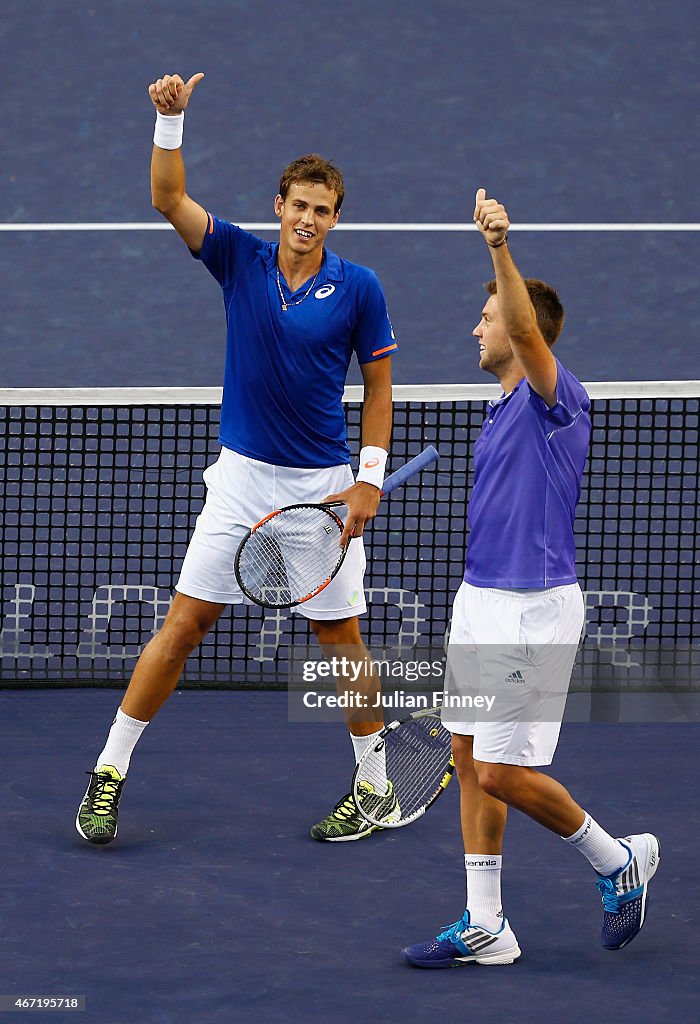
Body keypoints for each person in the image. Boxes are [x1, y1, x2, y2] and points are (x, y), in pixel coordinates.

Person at [76, 72, 400, 847]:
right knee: (185, 625)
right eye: (299, 206)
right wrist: (170, 123)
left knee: (339, 639)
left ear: (334, 218)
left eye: (324, 211)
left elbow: (380, 383)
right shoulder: (237, 259)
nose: (310, 221)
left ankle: (377, 783)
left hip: (323, 490)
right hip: (242, 480)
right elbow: (167, 198)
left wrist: (368, 480)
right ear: (280, 206)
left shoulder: (359, 288)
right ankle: (108, 774)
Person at [401, 189, 659, 967]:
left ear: (524, 335)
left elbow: (517, 321)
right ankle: (487, 924)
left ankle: (617, 861)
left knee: (507, 773)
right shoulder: (501, 405)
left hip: (531, 614)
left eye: (484, 320)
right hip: (480, 601)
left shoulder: (556, 398)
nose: (474, 330)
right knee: (470, 756)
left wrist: (498, 247)